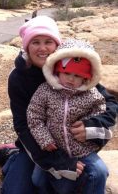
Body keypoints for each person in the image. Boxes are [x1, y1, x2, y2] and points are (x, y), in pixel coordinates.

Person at [1, 15, 117, 194]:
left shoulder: (72, 70)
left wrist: (91, 126)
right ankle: (12, 157)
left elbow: (107, 101)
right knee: (17, 189)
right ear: (26, 46)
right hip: (37, 145)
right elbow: (23, 125)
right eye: (35, 42)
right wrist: (56, 162)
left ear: (57, 46)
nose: (42, 48)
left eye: (48, 41)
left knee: (95, 173)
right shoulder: (18, 78)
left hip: (71, 144)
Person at [27, 38, 110, 193]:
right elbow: (34, 116)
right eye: (67, 73)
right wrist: (44, 138)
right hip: (54, 149)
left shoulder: (92, 94)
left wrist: (89, 128)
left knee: (100, 171)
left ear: (86, 77)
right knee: (37, 180)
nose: (71, 79)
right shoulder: (46, 90)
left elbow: (101, 114)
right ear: (57, 70)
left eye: (77, 75)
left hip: (82, 150)